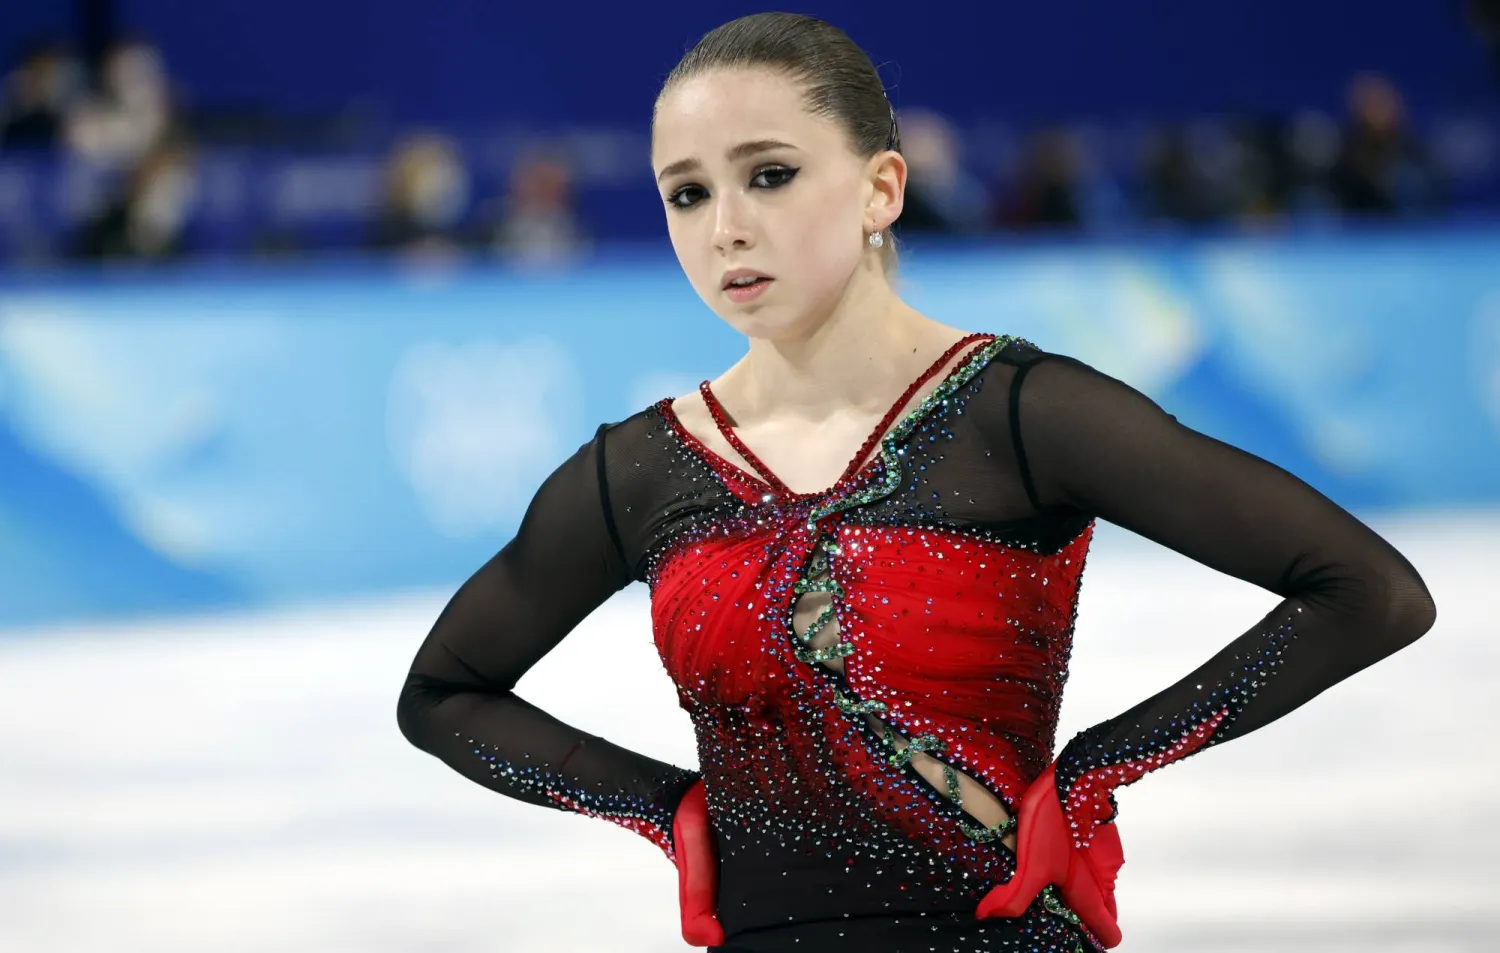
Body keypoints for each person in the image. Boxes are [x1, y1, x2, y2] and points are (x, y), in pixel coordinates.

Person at [395, 13, 1437, 953]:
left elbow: (1369, 590)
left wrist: (1093, 773)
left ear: (881, 189)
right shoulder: (638, 468)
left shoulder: (1020, 412)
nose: (725, 228)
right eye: (688, 192)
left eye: (769, 174)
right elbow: (442, 694)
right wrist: (665, 806)